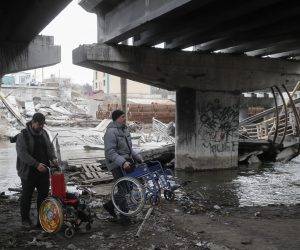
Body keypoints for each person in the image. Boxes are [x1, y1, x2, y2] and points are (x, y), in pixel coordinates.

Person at [16, 113, 58, 228]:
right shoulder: (22, 135)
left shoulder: (44, 133)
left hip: (43, 171)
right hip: (29, 172)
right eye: (39, 124)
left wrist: (53, 158)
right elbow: (22, 154)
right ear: (33, 122)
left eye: (43, 124)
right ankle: (25, 219)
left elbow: (50, 147)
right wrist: (36, 164)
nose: (41, 126)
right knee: (27, 196)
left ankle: (41, 219)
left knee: (43, 196)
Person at [103, 109, 143, 225]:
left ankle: (110, 205)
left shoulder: (125, 130)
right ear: (116, 118)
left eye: (124, 116)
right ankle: (124, 217)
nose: (124, 118)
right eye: (122, 117)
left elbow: (129, 149)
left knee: (128, 188)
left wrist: (137, 157)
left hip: (127, 162)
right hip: (116, 164)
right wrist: (122, 162)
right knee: (123, 190)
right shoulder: (110, 132)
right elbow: (110, 152)